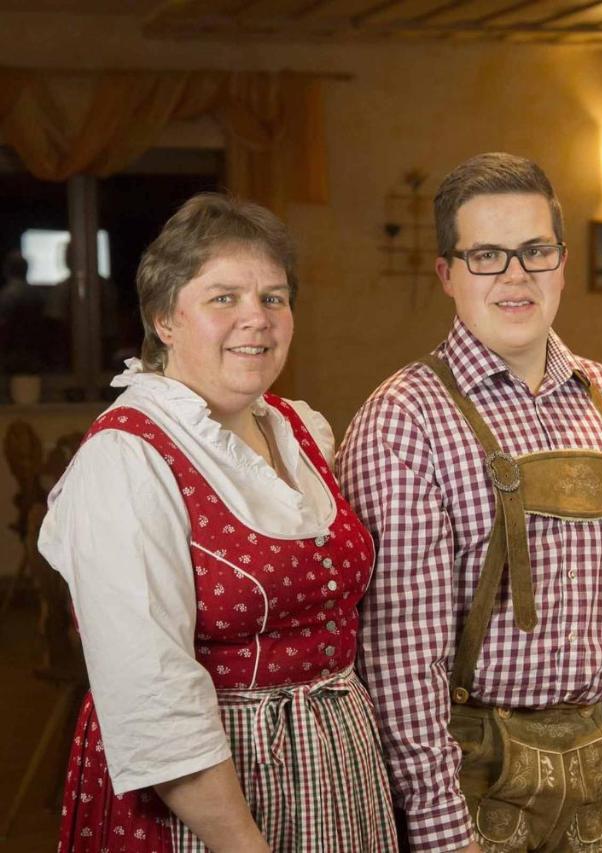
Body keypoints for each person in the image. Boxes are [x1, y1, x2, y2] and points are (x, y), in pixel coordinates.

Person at [39, 193, 397, 852]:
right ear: (164, 319)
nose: (256, 319)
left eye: (274, 297)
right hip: (211, 800)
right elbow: (151, 691)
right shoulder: (127, 457)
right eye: (223, 298)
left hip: (337, 772)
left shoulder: (301, 429)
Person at [340, 152, 602, 853]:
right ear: (447, 273)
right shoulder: (403, 418)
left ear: (563, 262)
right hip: (473, 777)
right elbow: (400, 656)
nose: (516, 275)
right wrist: (440, 828)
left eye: (535, 250)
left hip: (597, 770)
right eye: (486, 255)